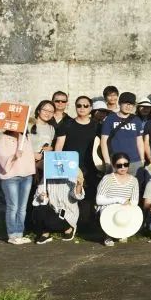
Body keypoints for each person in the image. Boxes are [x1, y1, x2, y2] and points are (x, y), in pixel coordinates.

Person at [55, 95, 100, 227]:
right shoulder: (67, 124)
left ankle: (85, 224)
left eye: (86, 105)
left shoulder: (97, 126)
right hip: (70, 166)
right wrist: (59, 166)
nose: (82, 108)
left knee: (88, 196)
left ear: (90, 108)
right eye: (79, 105)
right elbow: (59, 147)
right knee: (70, 195)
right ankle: (68, 223)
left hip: (91, 166)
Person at [0, 128, 42, 245]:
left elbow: (27, 156)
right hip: (11, 177)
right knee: (13, 206)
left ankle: (19, 234)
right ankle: (12, 235)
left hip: (26, 176)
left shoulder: (25, 138)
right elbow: (2, 157)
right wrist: (14, 156)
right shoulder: (4, 139)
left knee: (22, 207)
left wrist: (34, 155)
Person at [30, 166, 85, 244]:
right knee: (37, 210)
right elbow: (38, 195)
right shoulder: (48, 175)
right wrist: (42, 197)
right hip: (53, 211)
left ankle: (68, 228)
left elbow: (77, 196)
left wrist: (79, 185)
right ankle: (45, 232)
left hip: (67, 213)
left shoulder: (71, 175)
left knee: (55, 219)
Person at [95, 152, 140, 246]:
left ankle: (122, 231)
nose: (123, 167)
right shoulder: (107, 178)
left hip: (125, 208)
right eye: (119, 165)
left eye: (126, 164)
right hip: (108, 206)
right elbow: (99, 200)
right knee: (108, 211)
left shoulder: (134, 180)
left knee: (127, 211)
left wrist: (127, 204)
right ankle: (108, 235)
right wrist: (118, 200)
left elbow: (134, 201)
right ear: (114, 165)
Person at [99, 92, 147, 177]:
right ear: (119, 103)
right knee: (115, 184)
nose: (128, 106)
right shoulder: (110, 119)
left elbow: (139, 141)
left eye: (131, 104)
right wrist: (107, 162)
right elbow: (103, 142)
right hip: (116, 161)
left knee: (136, 184)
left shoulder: (136, 120)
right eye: (126, 103)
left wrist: (142, 159)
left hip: (135, 161)